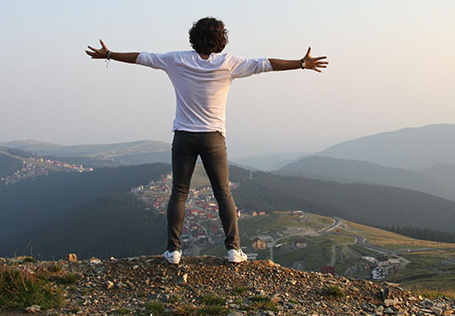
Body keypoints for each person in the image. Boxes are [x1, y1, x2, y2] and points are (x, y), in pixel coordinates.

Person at [85, 17, 327, 265]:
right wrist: (300, 63)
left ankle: (173, 251)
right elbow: (265, 64)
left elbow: (142, 57)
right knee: (223, 193)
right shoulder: (229, 63)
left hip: (183, 137)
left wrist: (109, 54)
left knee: (179, 192)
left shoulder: (176, 60)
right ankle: (233, 250)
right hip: (214, 138)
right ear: (221, 40)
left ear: (193, 36)